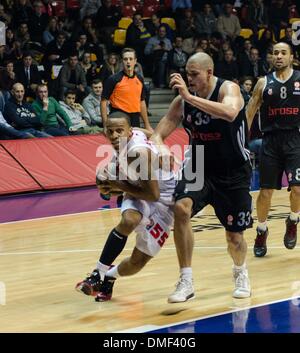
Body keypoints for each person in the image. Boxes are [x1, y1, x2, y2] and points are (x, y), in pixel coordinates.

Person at [151, 52, 252, 303]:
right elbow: (158, 133)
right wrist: (161, 147)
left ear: (209, 72)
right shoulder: (182, 101)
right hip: (198, 164)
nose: (189, 78)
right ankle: (186, 279)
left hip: (233, 169)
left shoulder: (228, 89)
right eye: (187, 73)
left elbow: (229, 113)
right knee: (181, 209)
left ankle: (240, 271)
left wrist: (188, 97)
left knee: (235, 236)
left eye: (194, 74)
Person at [75, 111, 175, 301]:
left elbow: (153, 195)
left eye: (119, 131)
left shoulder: (136, 153)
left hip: (164, 198)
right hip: (140, 187)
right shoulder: (132, 133)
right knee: (129, 220)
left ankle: (110, 277)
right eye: (110, 131)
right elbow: (146, 132)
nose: (114, 136)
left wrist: (117, 185)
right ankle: (97, 273)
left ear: (128, 133)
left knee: (137, 262)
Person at [246, 42, 300, 257]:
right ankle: (261, 230)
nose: (278, 56)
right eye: (275, 53)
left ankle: (293, 220)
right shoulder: (262, 83)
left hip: (294, 138)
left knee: (297, 189)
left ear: (291, 57)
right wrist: (240, 140)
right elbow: (249, 114)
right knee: (265, 192)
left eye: (283, 53)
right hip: (270, 140)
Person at [100, 47, 153, 132]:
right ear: (122, 62)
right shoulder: (113, 79)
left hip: (135, 118)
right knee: (123, 144)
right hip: (119, 117)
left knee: (135, 144)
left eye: (131, 59)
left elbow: (142, 101)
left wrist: (147, 124)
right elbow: (103, 102)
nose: (128, 61)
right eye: (125, 59)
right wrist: (105, 125)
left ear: (135, 61)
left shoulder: (139, 79)